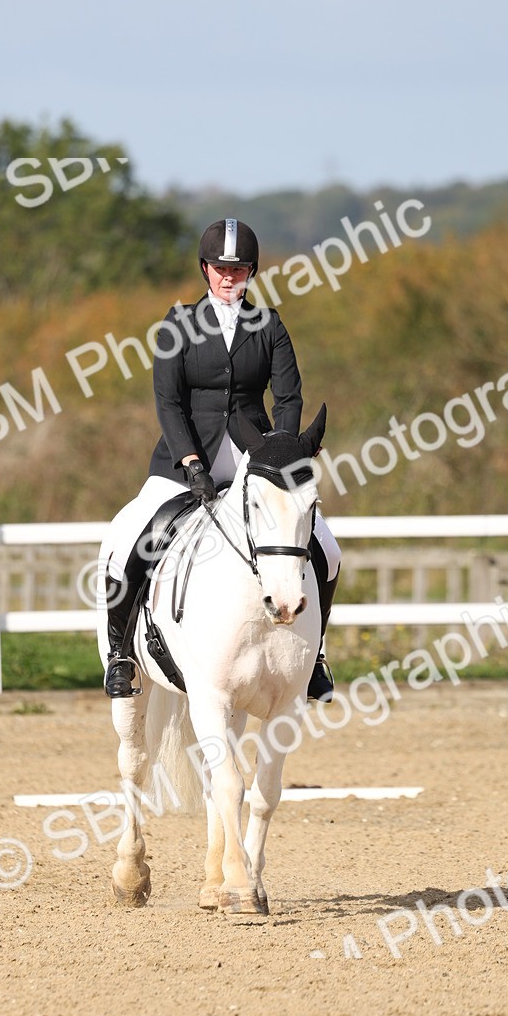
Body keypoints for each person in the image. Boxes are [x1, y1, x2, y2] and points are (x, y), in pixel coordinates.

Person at [102, 217, 341, 700]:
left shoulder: (269, 325)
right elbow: (168, 402)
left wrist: (278, 450)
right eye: (219, 268)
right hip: (184, 455)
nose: (228, 277)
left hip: (257, 458)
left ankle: (313, 656)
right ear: (205, 270)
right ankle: (121, 654)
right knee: (137, 537)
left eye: (238, 268)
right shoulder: (179, 324)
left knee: (327, 551)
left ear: (252, 271)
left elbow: (289, 397)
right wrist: (191, 462)